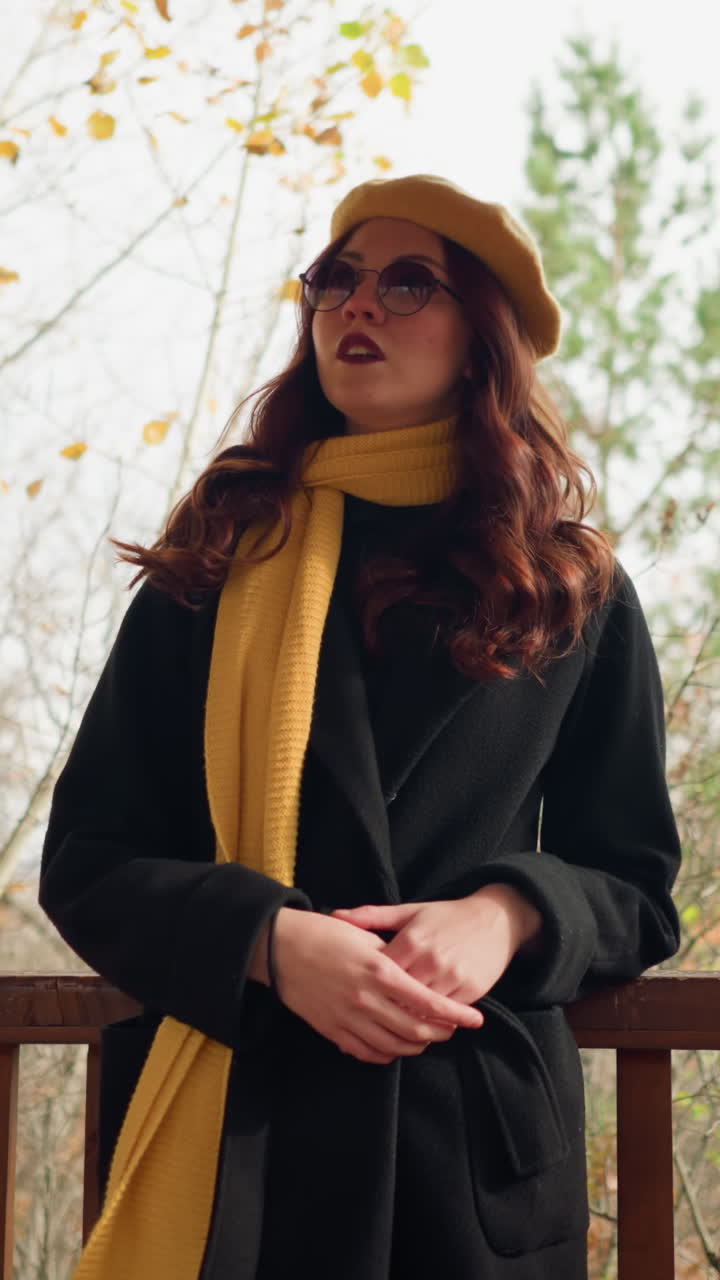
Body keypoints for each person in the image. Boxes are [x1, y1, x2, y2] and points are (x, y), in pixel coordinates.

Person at [40, 174, 681, 1280]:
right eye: (335, 279)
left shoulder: (567, 584)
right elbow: (88, 860)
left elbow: (632, 879)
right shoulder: (217, 555)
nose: (356, 306)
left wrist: (508, 910)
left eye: (405, 282)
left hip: (464, 1159)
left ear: (483, 340)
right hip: (244, 1143)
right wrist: (267, 939)